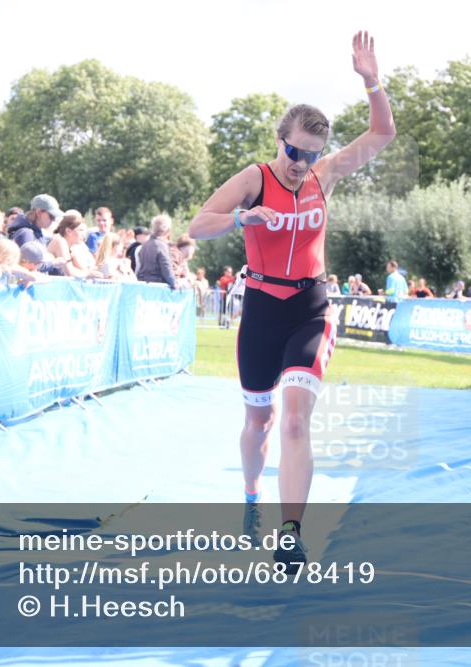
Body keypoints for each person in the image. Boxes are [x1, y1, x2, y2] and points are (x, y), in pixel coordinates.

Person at [188, 30, 395, 572]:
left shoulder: (324, 176)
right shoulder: (254, 179)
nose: (302, 162)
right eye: (294, 151)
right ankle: (253, 500)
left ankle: (291, 532)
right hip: (260, 309)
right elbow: (198, 224)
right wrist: (242, 217)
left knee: (297, 420)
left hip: (310, 307)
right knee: (259, 421)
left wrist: (371, 79)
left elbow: (382, 133)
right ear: (278, 140)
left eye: (312, 154)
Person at [48, 211, 100, 278]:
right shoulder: (60, 241)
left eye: (84, 231)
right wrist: (88, 274)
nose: (84, 235)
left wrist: (91, 273)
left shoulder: (71, 247)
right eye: (81, 230)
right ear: (68, 231)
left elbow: (83, 270)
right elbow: (70, 272)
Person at [136, 214, 178, 288]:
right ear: (168, 230)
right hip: (158, 286)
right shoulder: (161, 246)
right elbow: (166, 268)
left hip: (142, 284)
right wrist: (174, 283)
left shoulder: (144, 245)